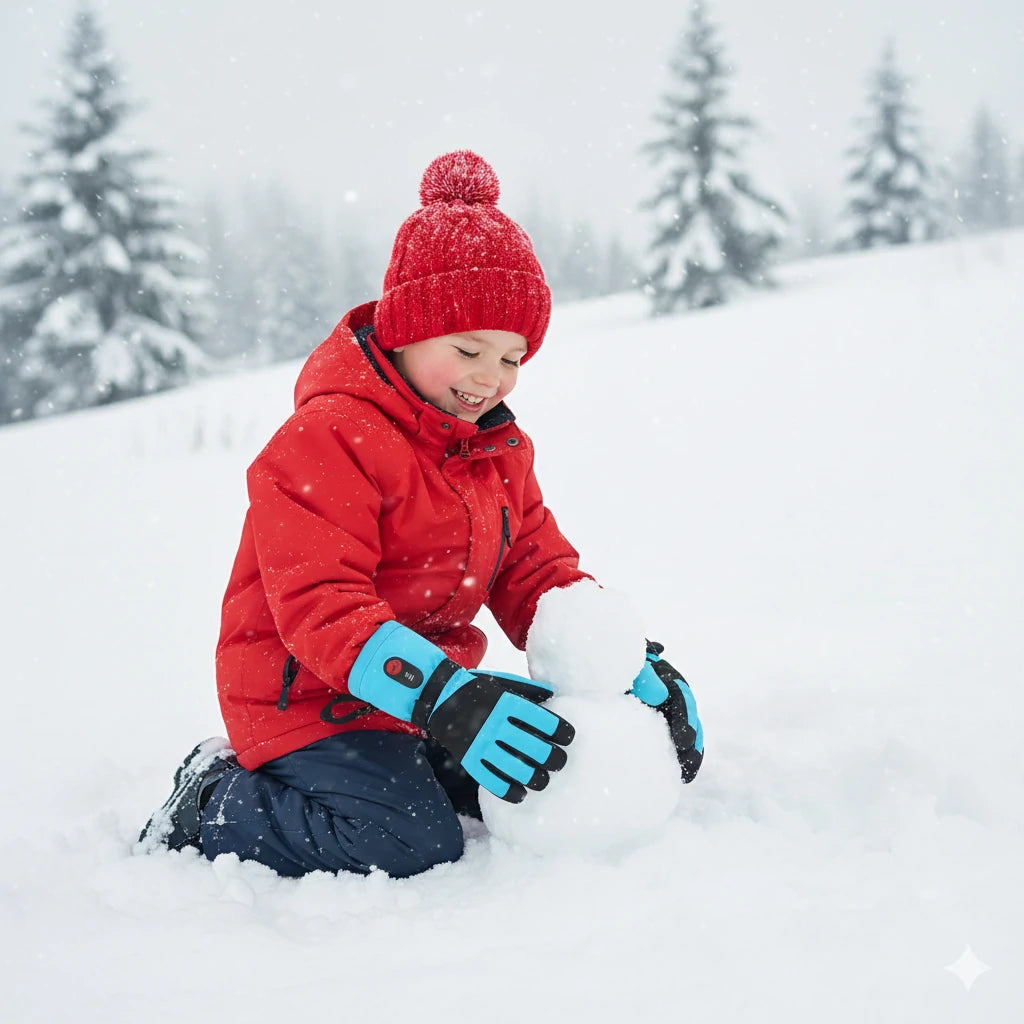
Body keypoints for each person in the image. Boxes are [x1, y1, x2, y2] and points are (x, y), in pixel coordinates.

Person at [138, 151, 703, 878]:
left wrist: (634, 669)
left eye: (511, 357)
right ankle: (214, 797)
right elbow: (323, 609)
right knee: (412, 841)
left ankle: (422, 751)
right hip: (308, 702)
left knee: (565, 750)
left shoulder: (497, 449)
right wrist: (446, 698)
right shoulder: (327, 439)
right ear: (406, 330)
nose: (489, 378)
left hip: (425, 695)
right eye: (468, 349)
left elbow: (537, 570)